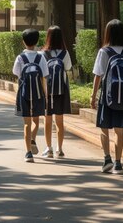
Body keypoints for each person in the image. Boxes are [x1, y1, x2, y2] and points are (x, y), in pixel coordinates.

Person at [91, 18, 123, 174]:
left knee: (104, 128)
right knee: (120, 130)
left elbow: (98, 75)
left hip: (107, 95)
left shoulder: (104, 51)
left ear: (108, 34)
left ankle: (107, 159)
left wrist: (93, 96)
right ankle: (119, 164)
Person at [12, 28, 49, 162]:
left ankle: (28, 153)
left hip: (24, 93)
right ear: (37, 41)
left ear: (23, 42)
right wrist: (46, 95)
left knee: (26, 124)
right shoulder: (41, 57)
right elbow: (44, 78)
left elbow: (17, 74)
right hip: (38, 94)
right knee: (36, 121)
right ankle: (32, 139)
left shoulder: (20, 58)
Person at [39, 25, 72, 159]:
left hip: (47, 91)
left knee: (47, 121)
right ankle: (60, 148)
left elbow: (41, 73)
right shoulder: (65, 53)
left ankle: (49, 148)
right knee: (60, 121)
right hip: (61, 90)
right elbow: (68, 68)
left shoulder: (43, 54)